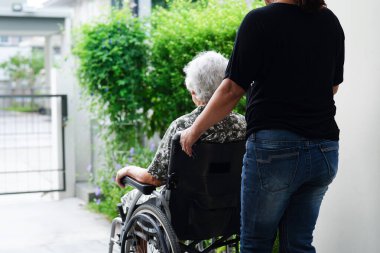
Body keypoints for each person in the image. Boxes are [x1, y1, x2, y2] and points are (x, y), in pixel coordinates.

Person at [180, 0, 345, 252]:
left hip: (276, 151)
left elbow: (232, 89)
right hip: (324, 150)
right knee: (298, 244)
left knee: (256, 244)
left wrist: (194, 130)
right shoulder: (330, 21)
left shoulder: (259, 20)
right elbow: (331, 88)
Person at [115, 51, 246, 209]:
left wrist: (127, 169)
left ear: (194, 92)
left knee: (127, 202)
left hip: (185, 213)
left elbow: (153, 179)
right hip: (228, 209)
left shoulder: (184, 126)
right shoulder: (243, 124)